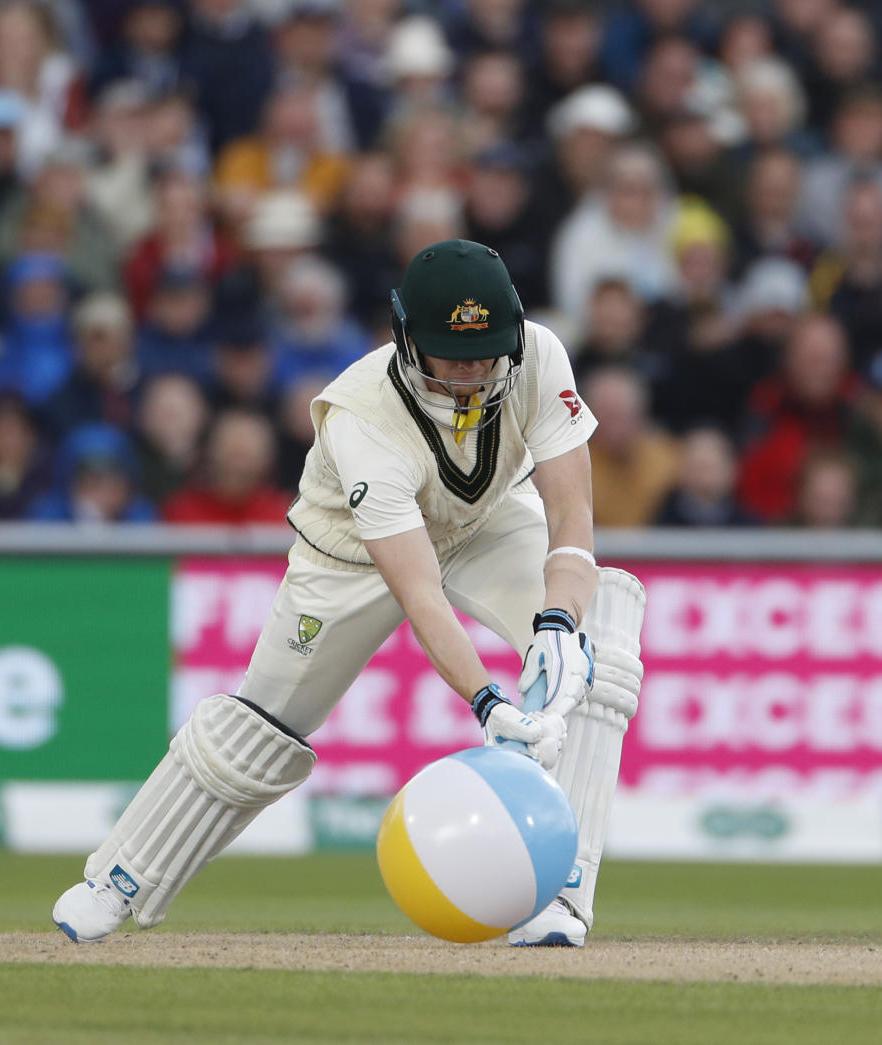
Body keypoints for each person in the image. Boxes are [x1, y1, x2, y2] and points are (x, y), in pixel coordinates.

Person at [51, 239, 645, 949]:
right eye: (454, 356)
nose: (475, 373)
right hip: (354, 556)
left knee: (593, 649)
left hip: (488, 519)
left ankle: (559, 894)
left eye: (489, 351)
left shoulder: (540, 356)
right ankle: (117, 880)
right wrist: (489, 702)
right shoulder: (362, 416)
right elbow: (421, 592)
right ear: (405, 339)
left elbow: (572, 518)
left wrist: (557, 620)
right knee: (258, 730)